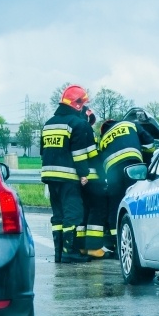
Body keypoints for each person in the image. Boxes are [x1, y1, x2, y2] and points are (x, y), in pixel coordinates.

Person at [40, 85, 96, 264]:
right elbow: (79, 154)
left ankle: (58, 253)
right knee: (74, 213)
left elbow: (43, 151)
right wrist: (84, 174)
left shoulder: (48, 123)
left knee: (58, 215)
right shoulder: (77, 124)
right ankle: (69, 251)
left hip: (49, 175)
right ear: (78, 104)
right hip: (68, 177)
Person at [98, 118, 146, 254]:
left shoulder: (103, 139)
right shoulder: (129, 124)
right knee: (134, 200)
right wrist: (146, 160)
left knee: (115, 204)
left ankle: (117, 242)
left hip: (113, 173)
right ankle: (136, 239)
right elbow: (148, 143)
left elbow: (100, 161)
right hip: (133, 166)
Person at [74, 105, 107, 259]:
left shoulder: (73, 127)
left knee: (84, 211)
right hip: (91, 177)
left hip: (77, 178)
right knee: (97, 209)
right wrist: (103, 173)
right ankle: (94, 248)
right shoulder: (85, 128)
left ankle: (82, 247)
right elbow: (92, 154)